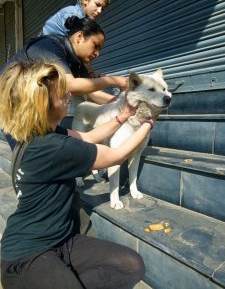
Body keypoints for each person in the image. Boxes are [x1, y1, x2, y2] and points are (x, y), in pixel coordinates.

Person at [0, 61, 157, 289]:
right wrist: (149, 122)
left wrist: (122, 116)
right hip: (26, 254)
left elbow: (90, 136)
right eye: (61, 93)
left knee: (131, 265)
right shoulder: (52, 147)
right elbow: (117, 155)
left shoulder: (42, 133)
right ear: (41, 103)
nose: (68, 95)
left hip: (63, 240)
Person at [1, 16, 127, 150]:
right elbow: (70, 85)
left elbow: (92, 93)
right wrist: (116, 81)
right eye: (95, 46)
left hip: (30, 108)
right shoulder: (50, 46)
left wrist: (121, 101)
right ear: (79, 37)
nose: (97, 54)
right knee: (27, 152)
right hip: (9, 100)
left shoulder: (77, 63)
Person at [42, 0, 110, 36]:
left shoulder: (80, 16)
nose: (99, 11)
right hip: (43, 48)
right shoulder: (74, 15)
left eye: (102, 9)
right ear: (86, 0)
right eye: (97, 5)